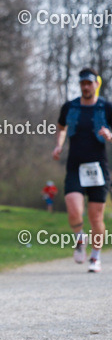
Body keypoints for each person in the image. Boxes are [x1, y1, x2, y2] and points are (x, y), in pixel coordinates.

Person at [52, 67, 111, 273]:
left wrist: (110, 135)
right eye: (82, 83)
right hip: (75, 165)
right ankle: (80, 239)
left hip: (98, 168)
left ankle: (95, 257)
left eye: (89, 83)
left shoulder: (106, 107)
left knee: (96, 217)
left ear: (96, 84)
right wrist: (58, 145)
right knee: (74, 209)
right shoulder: (70, 106)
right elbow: (61, 127)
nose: (86, 87)